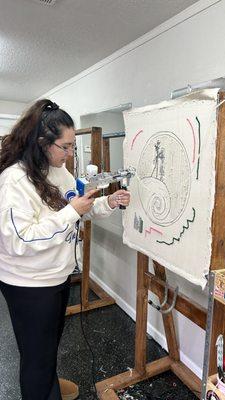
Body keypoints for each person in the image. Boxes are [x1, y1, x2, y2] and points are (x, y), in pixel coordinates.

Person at [0, 99, 130, 400]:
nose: (71, 154)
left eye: (73, 146)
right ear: (42, 142)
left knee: (48, 348)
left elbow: (76, 204)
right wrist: (72, 211)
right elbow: (21, 240)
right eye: (66, 147)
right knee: (36, 358)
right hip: (28, 283)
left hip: (56, 276)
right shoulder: (14, 181)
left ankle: (49, 389)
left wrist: (106, 203)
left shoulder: (58, 171)